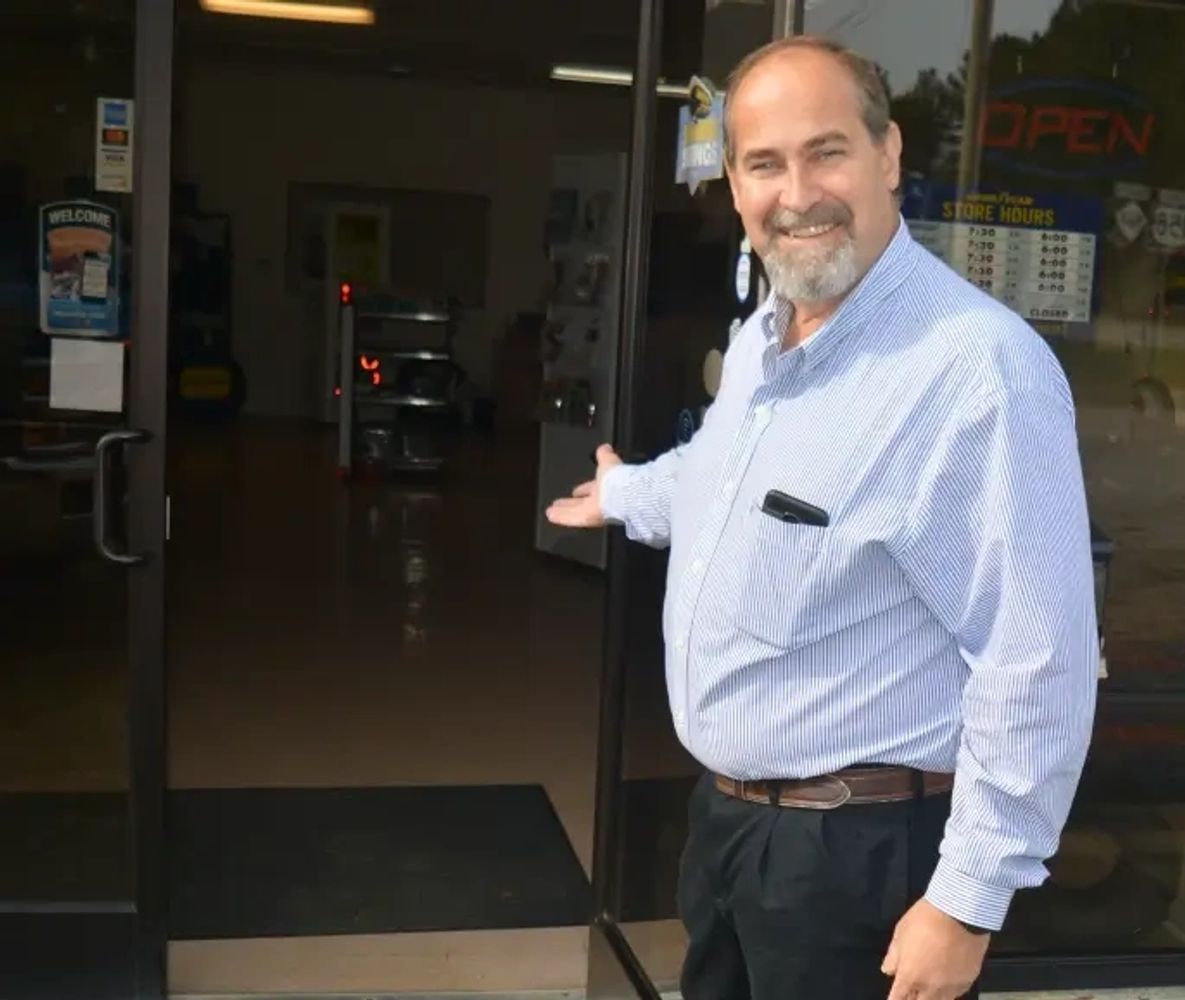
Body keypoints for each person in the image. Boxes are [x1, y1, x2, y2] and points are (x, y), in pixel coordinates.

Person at [546, 34, 1098, 1000]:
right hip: (729, 835)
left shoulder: (976, 371)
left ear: (888, 157)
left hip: (858, 863)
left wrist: (965, 902)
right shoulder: (766, 336)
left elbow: (1035, 659)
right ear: (733, 185)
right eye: (764, 163)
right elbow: (724, 483)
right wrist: (628, 493)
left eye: (826, 151)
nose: (795, 192)